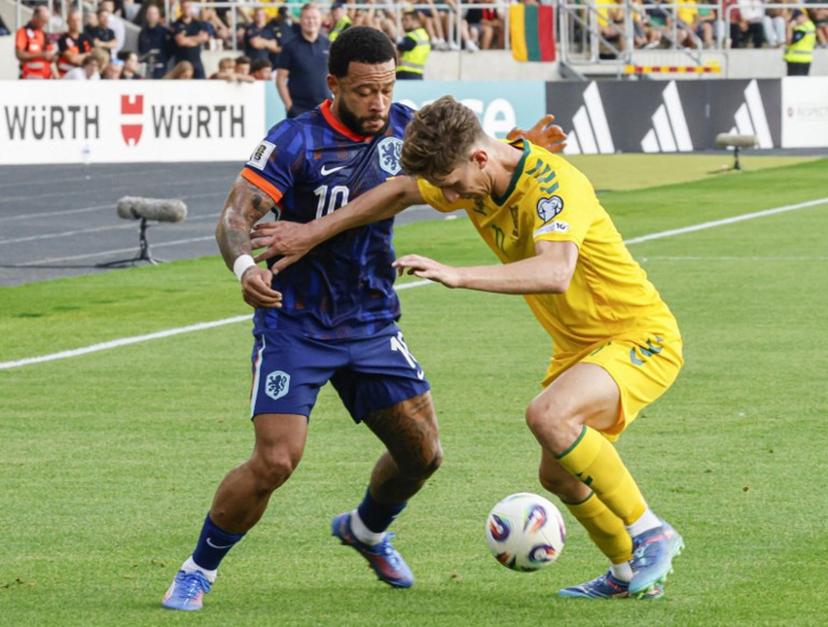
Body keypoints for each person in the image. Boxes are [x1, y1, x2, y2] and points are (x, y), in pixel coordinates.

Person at [160, 26, 564, 613]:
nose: (378, 103)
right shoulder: (295, 141)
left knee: (423, 455)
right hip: (294, 323)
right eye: (364, 91)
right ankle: (198, 569)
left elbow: (475, 162)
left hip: (371, 321)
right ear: (334, 85)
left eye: (387, 89)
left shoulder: (407, 129)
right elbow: (233, 218)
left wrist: (521, 146)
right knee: (276, 460)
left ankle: (366, 530)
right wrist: (245, 268)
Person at [252, 95, 684, 601]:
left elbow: (555, 271)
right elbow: (397, 191)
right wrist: (310, 233)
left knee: (548, 416)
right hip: (580, 349)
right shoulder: (476, 175)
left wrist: (458, 275)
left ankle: (650, 532)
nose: (452, 197)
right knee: (561, 477)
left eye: (455, 185)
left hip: (638, 335)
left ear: (480, 158)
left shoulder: (555, 186)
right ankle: (627, 573)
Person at [276, 3, 330, 118]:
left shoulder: (328, 45)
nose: (311, 21)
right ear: (300, 20)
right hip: (299, 111)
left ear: (320, 20)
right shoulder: (290, 46)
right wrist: (290, 107)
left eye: (314, 18)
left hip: (325, 110)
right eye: (307, 18)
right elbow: (280, 79)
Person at [15, 4, 55, 79]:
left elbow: (50, 59)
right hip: (30, 77)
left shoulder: (44, 34)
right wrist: (41, 54)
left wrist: (53, 57)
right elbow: (19, 55)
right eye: (43, 21)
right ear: (35, 17)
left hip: (47, 77)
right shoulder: (23, 32)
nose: (44, 24)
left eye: (46, 22)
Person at [172, 0, 209, 79]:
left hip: (196, 61)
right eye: (184, 8)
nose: (186, 10)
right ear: (181, 9)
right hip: (181, 64)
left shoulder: (198, 23)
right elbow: (181, 41)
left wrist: (187, 39)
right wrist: (197, 39)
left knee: (202, 84)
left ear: (191, 8)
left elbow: (204, 38)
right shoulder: (176, 24)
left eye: (188, 7)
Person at [396, 9, 430, 80]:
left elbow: (397, 53)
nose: (403, 23)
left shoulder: (411, 37)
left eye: (406, 20)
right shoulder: (424, 35)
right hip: (418, 74)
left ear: (415, 21)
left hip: (405, 73)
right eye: (402, 20)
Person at [138, 5, 171, 79]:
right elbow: (140, 48)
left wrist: (162, 58)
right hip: (146, 65)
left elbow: (169, 50)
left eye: (154, 13)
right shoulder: (143, 32)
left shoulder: (164, 31)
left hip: (160, 66)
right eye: (149, 13)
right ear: (146, 15)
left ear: (158, 15)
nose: (151, 16)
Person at [56, 10, 92, 78]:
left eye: (78, 20)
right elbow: (72, 59)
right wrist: (87, 55)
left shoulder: (86, 37)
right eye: (73, 20)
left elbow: (92, 56)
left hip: (84, 72)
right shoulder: (63, 39)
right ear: (68, 22)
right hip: (67, 73)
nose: (76, 23)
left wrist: (81, 57)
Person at [784, 9, 816, 75]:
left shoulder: (803, 28)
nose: (795, 21)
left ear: (801, 16)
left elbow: (789, 41)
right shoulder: (810, 26)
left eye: (796, 18)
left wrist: (789, 28)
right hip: (804, 59)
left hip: (797, 60)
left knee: (795, 81)